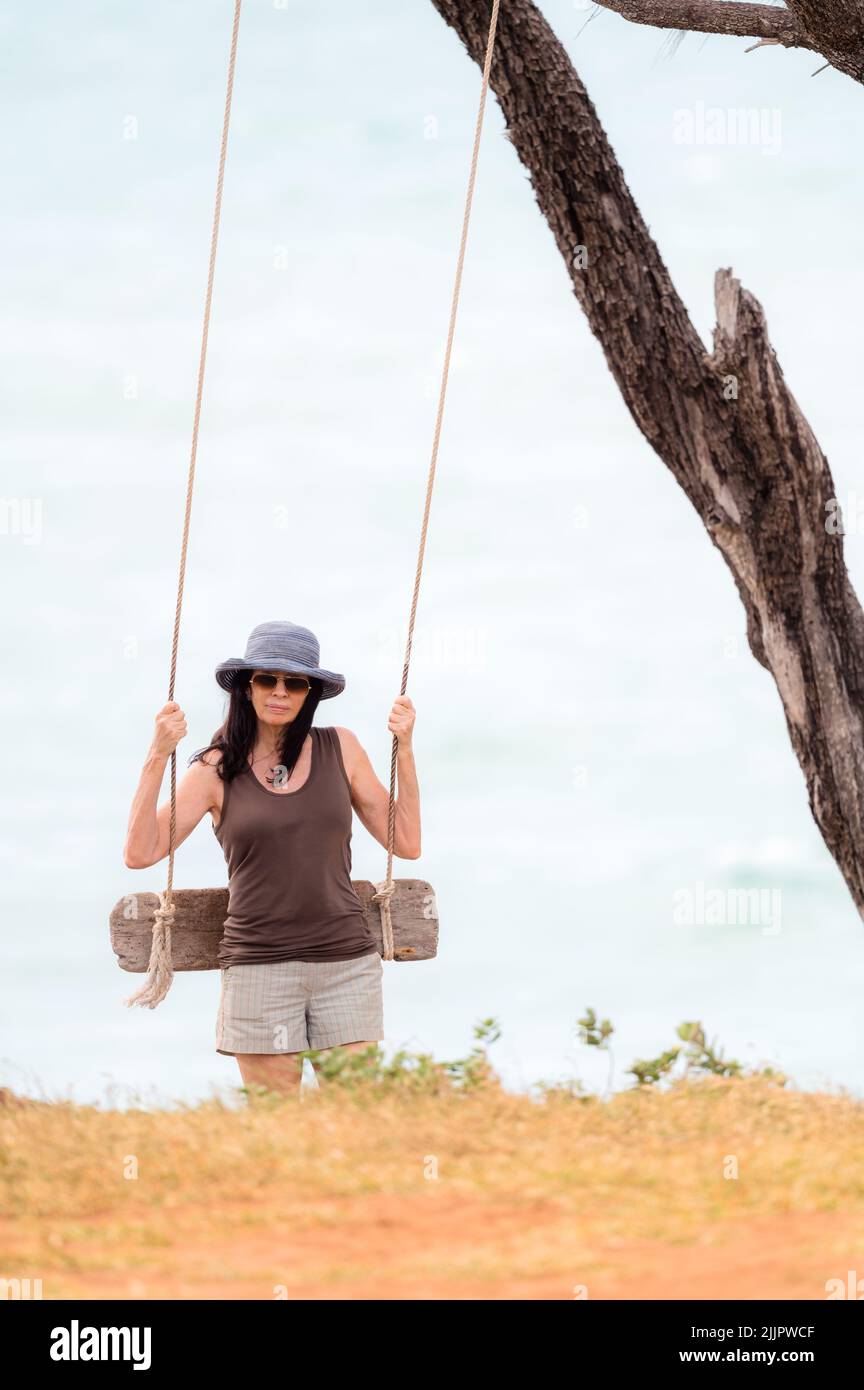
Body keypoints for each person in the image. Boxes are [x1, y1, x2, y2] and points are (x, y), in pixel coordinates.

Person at [123, 619, 421, 1098]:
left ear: (310, 693)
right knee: (277, 1128)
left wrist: (404, 749)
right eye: (267, 679)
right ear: (247, 687)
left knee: (361, 1120)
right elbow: (141, 853)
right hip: (260, 968)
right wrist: (158, 755)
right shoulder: (215, 769)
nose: (279, 691)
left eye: (295, 682)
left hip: (345, 963)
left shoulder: (340, 747)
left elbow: (405, 841)